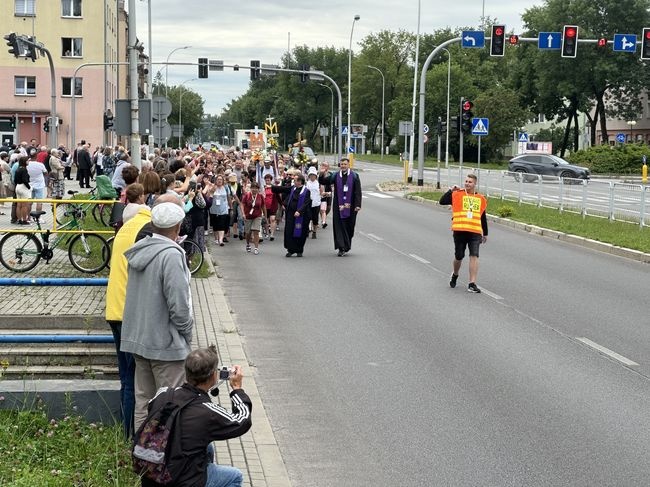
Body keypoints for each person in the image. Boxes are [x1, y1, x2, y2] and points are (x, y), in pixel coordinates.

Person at [121, 199, 194, 429]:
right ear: (178, 227)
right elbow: (179, 304)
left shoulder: (139, 250)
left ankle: (141, 453)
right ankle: (165, 458)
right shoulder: (171, 254)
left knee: (143, 401)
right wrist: (186, 332)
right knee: (170, 404)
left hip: (139, 338)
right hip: (165, 343)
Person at [140, 346, 252, 487]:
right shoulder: (207, 412)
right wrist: (237, 389)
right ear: (213, 376)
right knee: (234, 476)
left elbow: (151, 407)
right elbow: (242, 420)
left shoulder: (163, 394)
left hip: (152, 474)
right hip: (179, 480)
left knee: (208, 448)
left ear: (186, 372)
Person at [105, 195, 157, 438]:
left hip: (115, 310)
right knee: (137, 380)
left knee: (126, 378)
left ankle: (126, 431)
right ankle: (134, 436)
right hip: (130, 313)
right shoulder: (146, 229)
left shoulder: (125, 229)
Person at [438, 174, 488, 293]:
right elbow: (442, 201)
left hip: (474, 232)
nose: (467, 183)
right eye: (466, 181)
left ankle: (472, 283)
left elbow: (483, 216)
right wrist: (451, 190)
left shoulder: (480, 198)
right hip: (459, 230)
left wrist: (485, 233)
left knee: (474, 255)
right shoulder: (457, 194)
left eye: (470, 182)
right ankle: (455, 274)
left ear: (475, 184)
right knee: (459, 256)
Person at [272, 173, 312, 257]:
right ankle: (290, 249)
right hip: (290, 214)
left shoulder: (306, 191)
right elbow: (283, 189)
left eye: (295, 180)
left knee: (300, 232)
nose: (294, 182)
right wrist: (271, 187)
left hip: (301, 215)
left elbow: (306, 203)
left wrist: (299, 211)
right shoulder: (292, 188)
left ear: (300, 181)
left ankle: (299, 250)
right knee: (289, 231)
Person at [330, 157, 362, 256]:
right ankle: (341, 247)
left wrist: (357, 205)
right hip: (338, 205)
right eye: (342, 164)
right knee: (339, 225)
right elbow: (326, 181)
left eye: (345, 164)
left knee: (349, 226)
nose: (343, 166)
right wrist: (322, 174)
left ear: (348, 165)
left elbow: (358, 192)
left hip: (351, 205)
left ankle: (346, 245)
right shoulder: (335, 175)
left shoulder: (355, 176)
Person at [240, 181, 266, 255]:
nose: (254, 189)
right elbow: (242, 204)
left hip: (257, 215)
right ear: (251, 188)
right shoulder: (247, 195)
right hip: (248, 216)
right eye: (253, 188)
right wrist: (243, 213)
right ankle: (248, 243)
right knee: (248, 232)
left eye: (256, 188)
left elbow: (263, 206)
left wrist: (265, 216)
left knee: (256, 231)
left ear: (258, 189)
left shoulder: (260, 196)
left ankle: (256, 248)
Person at [305, 166, 321, 239]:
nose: (312, 177)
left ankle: (314, 231)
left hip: (316, 203)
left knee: (315, 219)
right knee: (307, 217)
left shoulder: (318, 183)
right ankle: (307, 230)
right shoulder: (306, 183)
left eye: (313, 175)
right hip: (308, 203)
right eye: (311, 175)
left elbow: (321, 192)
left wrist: (324, 194)